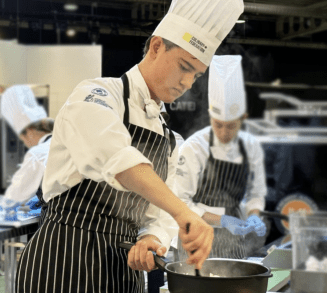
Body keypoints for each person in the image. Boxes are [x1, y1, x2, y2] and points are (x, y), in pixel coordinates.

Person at [15, 0, 244, 292]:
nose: (187, 82)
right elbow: (117, 159)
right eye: (184, 67)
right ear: (157, 46)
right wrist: (183, 213)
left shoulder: (171, 141)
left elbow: (157, 215)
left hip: (122, 270)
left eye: (196, 75)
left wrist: (151, 238)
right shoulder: (95, 95)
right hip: (62, 259)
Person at [175, 55, 268, 260]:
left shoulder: (250, 146)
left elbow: (257, 192)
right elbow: (180, 202)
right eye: (218, 124)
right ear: (210, 116)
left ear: (243, 118)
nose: (224, 132)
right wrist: (223, 220)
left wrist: (254, 215)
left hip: (235, 243)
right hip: (196, 239)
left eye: (231, 126)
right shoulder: (195, 147)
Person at [0, 85, 54, 221]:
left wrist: (6, 205)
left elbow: (15, 195)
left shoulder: (38, 152)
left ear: (29, 132)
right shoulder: (59, 143)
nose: (25, 144)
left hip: (59, 222)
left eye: (23, 139)